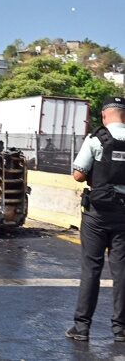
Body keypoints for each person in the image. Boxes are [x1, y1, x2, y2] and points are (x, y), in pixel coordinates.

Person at [67, 96, 125, 342]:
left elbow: (78, 175)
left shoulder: (95, 139)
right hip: (124, 215)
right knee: (122, 271)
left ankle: (82, 328)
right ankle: (121, 330)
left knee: (91, 269)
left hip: (97, 215)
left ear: (104, 115)